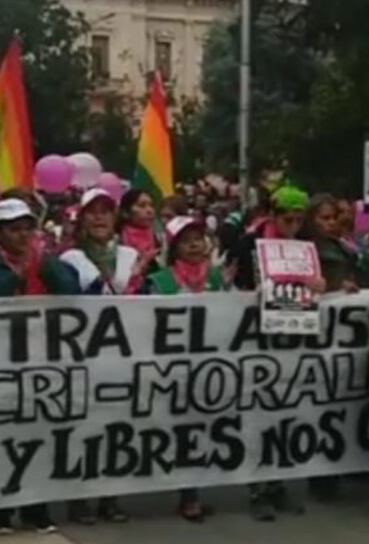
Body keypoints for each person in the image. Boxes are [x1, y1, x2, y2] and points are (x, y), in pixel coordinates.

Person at [0, 198, 79, 535]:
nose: (22, 235)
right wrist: (15, 274)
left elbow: (70, 290)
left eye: (28, 228)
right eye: (15, 229)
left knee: (38, 437)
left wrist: (43, 263)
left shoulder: (45, 260)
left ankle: (36, 508)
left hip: (42, 360)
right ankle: (0, 512)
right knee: (3, 438)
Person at [228, 184, 318, 520]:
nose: (293, 225)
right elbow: (238, 285)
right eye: (287, 219)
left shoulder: (305, 247)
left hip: (291, 338)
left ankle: (278, 483)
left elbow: (313, 287)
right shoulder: (250, 243)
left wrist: (318, 287)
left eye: (298, 220)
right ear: (274, 214)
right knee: (259, 415)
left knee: (286, 414)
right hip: (257, 338)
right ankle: (257, 489)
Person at [60, 188, 141, 523]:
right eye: (92, 211)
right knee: (82, 427)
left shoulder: (132, 256)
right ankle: (78, 498)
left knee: (115, 426)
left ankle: (110, 495)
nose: (99, 217)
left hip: (122, 356)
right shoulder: (68, 259)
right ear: (81, 219)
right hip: (81, 356)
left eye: (106, 211)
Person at [145, 216, 230, 522]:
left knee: (202, 430)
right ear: (174, 247)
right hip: (173, 370)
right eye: (186, 239)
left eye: (199, 237)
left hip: (210, 369)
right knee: (178, 431)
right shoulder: (160, 282)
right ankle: (186, 493)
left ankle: (192, 489)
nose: (195, 244)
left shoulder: (218, 277)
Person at [304, 194, 361, 293]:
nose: (332, 222)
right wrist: (337, 285)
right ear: (311, 220)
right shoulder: (302, 249)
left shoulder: (342, 248)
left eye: (334, 217)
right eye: (325, 218)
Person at [118, 189, 162, 274]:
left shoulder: (159, 237)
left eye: (151, 205)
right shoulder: (118, 239)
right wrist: (143, 262)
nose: (149, 210)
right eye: (142, 206)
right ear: (125, 212)